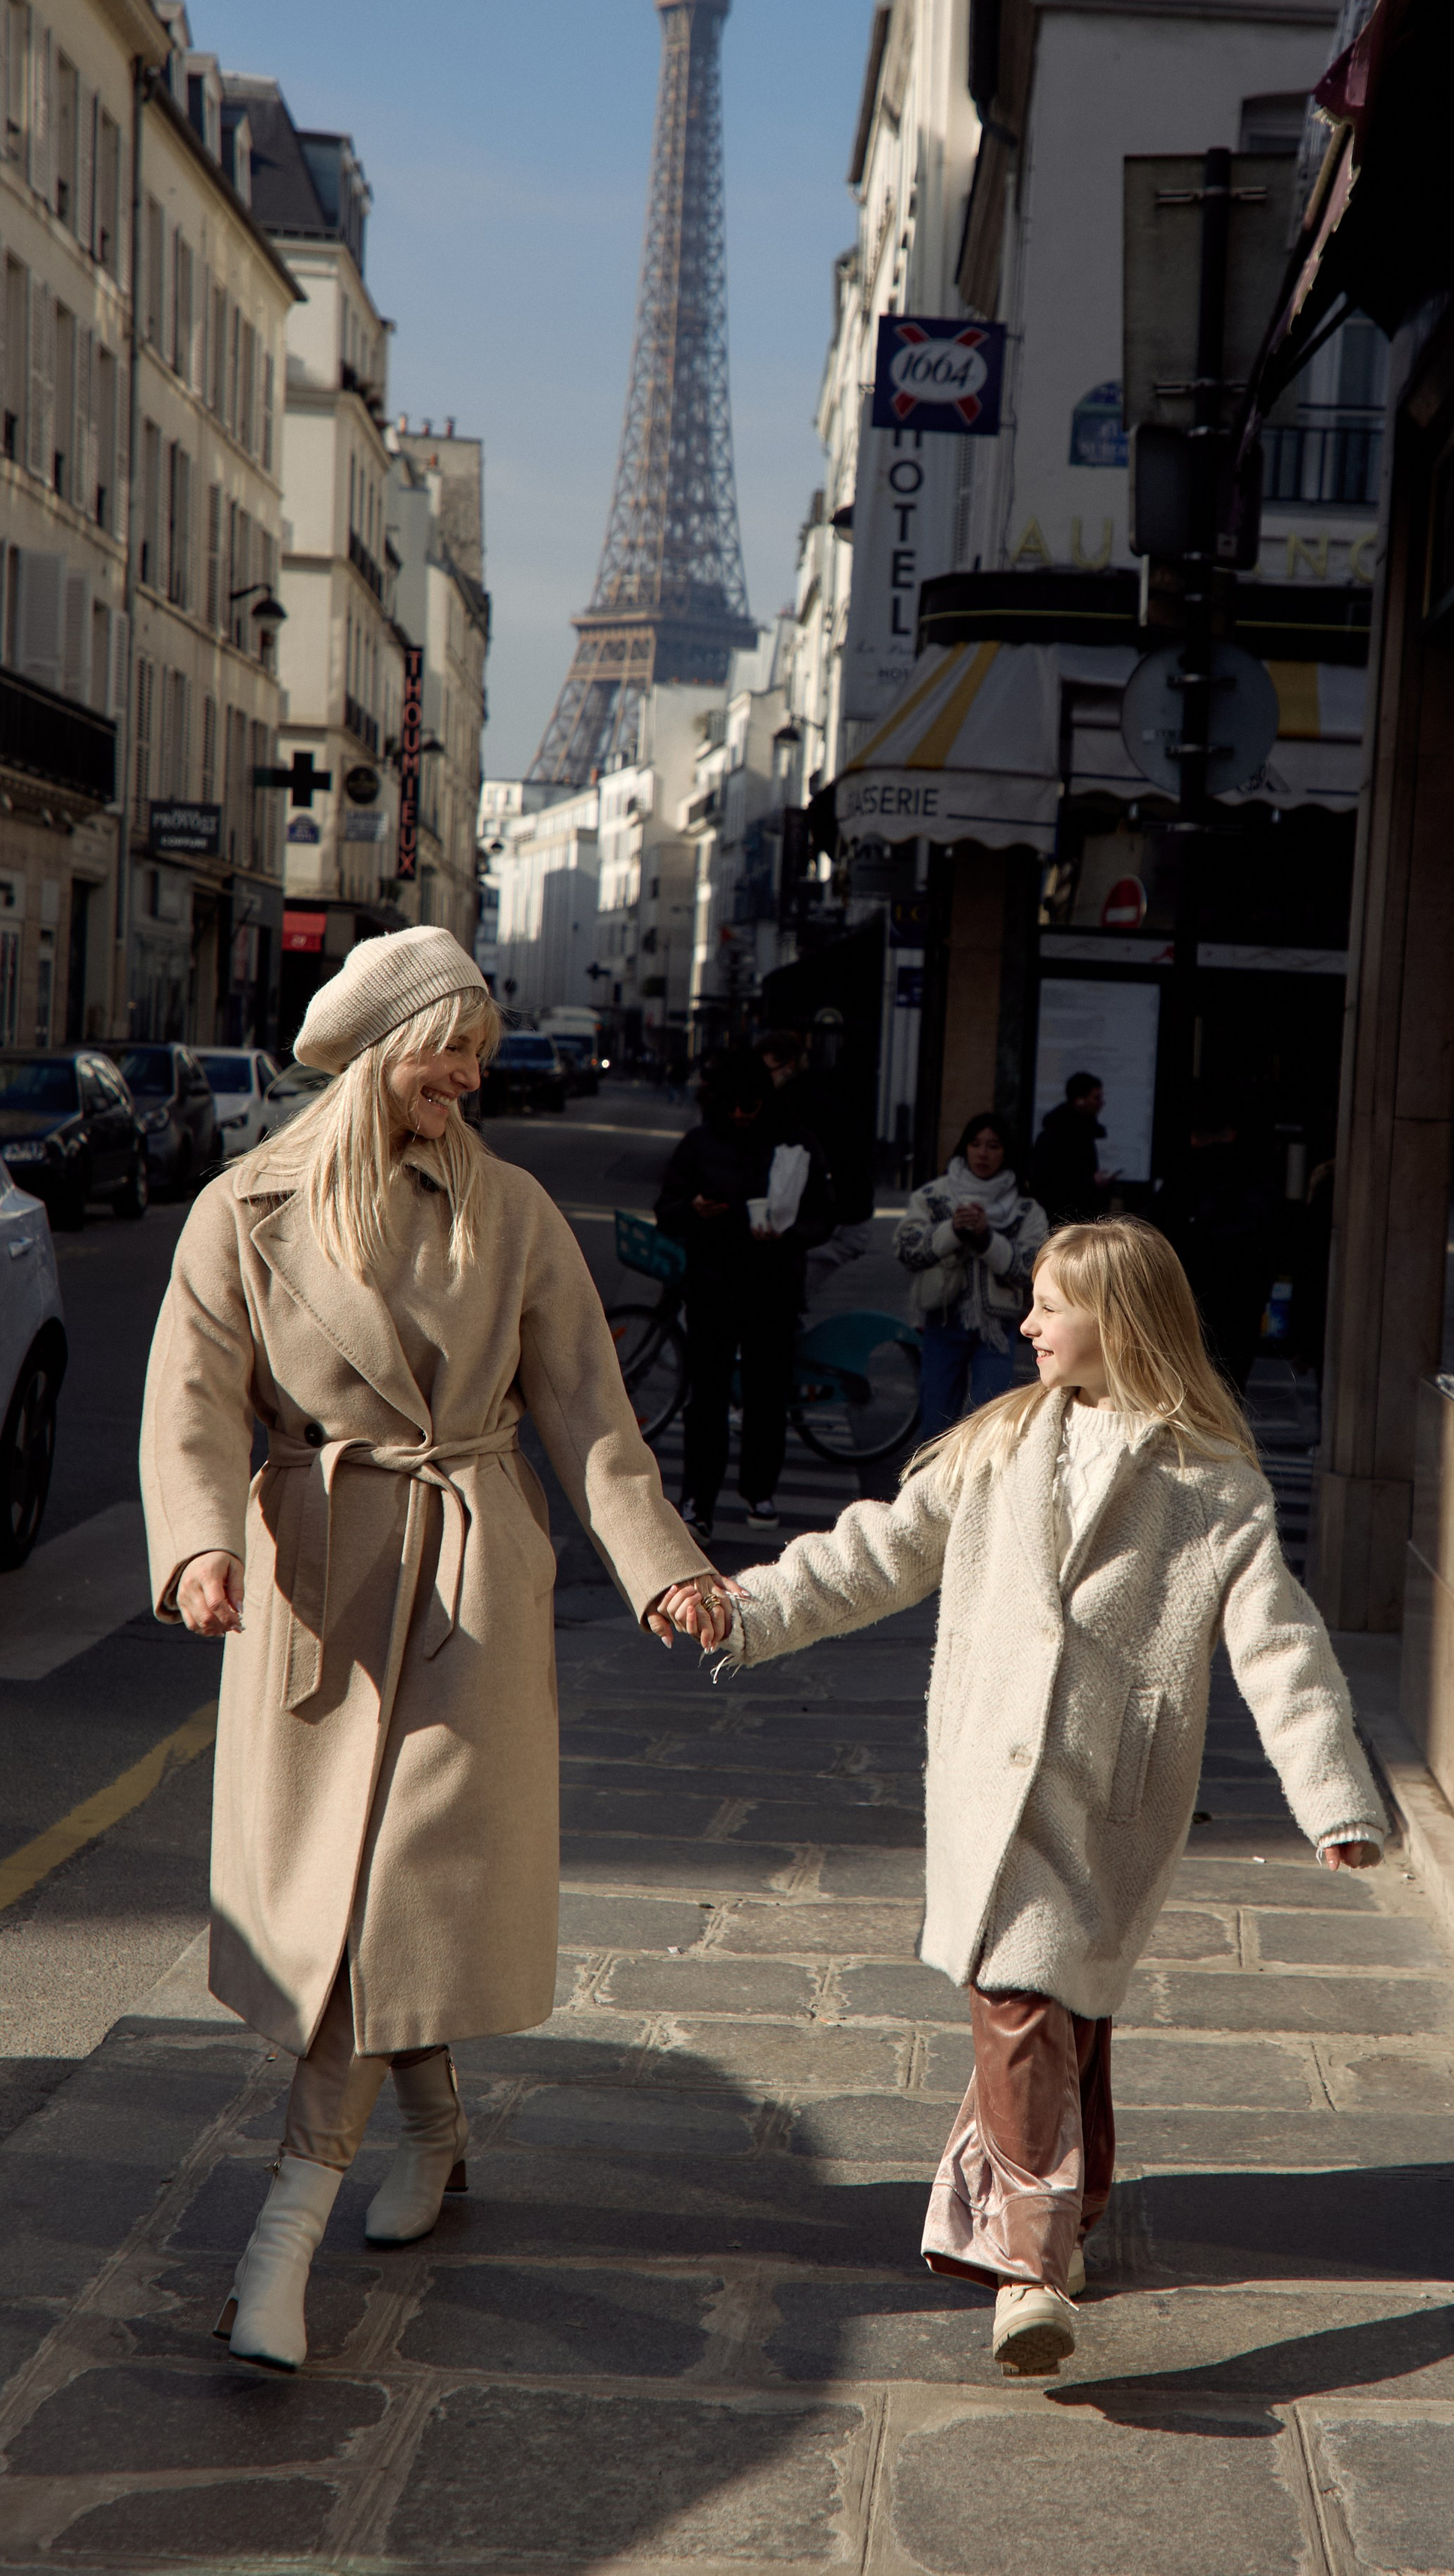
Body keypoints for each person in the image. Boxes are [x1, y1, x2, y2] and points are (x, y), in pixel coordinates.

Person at [138, 926, 722, 2376]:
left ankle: (283, 2231)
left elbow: (589, 1409)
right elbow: (193, 1403)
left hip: (472, 1572)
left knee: (391, 1885)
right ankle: (439, 2135)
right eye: (450, 1046)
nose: (473, 1071)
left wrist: (664, 1569)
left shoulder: (512, 1212)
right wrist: (201, 1545)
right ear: (384, 1047)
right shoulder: (242, 1208)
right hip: (317, 1582)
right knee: (347, 1900)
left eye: (479, 1047)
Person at [660, 1215, 1384, 2375]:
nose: (1028, 1322)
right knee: (1026, 2003)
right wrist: (743, 1611)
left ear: (1125, 1320)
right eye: (1032, 1302)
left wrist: (1333, 1794)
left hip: (1110, 1793)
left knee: (1063, 2008)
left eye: (1052, 1305)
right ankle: (1035, 2267)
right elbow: (874, 1552)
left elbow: (1279, 1647)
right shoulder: (997, 1441)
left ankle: (1070, 2215)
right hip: (990, 1784)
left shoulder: (1214, 1484)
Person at [656, 1047, 834, 1538]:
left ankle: (760, 1490)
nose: (739, 1114)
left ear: (764, 1102)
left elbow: (824, 1214)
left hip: (773, 1286)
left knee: (766, 1396)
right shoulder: (698, 1143)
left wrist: (788, 1233)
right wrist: (693, 1208)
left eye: (749, 1106)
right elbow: (666, 1209)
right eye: (730, 1105)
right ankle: (697, 1502)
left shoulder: (795, 1144)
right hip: (712, 1286)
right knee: (706, 1398)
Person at [897, 1110, 1048, 1439]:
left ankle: (977, 1488)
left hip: (997, 1327)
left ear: (1006, 1152)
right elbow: (907, 1250)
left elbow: (1032, 1267)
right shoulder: (933, 1197)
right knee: (936, 1424)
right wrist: (951, 1230)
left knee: (988, 1423)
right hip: (942, 1320)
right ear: (964, 1148)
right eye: (976, 1144)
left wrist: (986, 1239)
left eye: (994, 1146)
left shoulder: (1025, 1209)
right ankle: (934, 1489)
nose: (983, 1153)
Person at [1153, 1099, 1286, 1397]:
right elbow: (1274, 1238)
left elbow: (1156, 1237)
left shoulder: (1181, 1178)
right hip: (1242, 1299)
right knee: (1232, 1384)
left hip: (1189, 1298)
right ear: (1232, 1134)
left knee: (1184, 1384)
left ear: (1194, 1137)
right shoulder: (1256, 1177)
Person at [757, 1026, 875, 1308]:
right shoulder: (811, 1095)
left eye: (767, 1070)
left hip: (837, 1224)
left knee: (776, 1303)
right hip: (836, 1217)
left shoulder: (798, 1104)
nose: (761, 1079)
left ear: (789, 1067)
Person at [1029, 1071, 1109, 1223]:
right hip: (1063, 1218)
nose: (1101, 1103)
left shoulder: (1089, 1131)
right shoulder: (1058, 1135)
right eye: (1096, 1098)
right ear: (1080, 1100)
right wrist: (1090, 1183)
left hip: (1082, 1216)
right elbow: (1050, 1183)